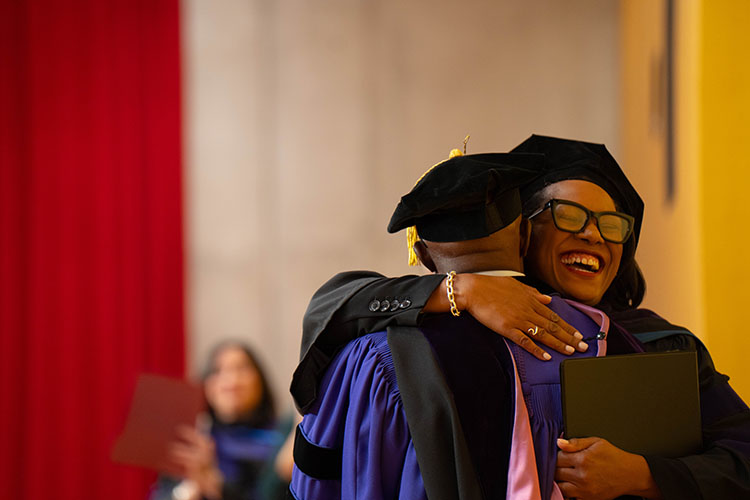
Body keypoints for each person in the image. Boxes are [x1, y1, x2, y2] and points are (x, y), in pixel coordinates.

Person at [291, 135, 750, 499]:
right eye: (570, 215)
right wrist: (461, 290)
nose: (593, 234)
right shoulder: (441, 328)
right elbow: (338, 304)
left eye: (612, 225)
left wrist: (645, 475)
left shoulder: (661, 343)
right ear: (524, 231)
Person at [291, 149, 609, 500]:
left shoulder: (375, 359)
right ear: (524, 237)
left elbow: (316, 479)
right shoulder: (596, 335)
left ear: (424, 256)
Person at [151, 341, 292, 500]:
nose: (231, 381)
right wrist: (188, 491)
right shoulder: (193, 440)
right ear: (206, 386)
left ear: (260, 380)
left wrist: (215, 483)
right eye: (217, 371)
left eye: (241, 368)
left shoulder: (283, 436)